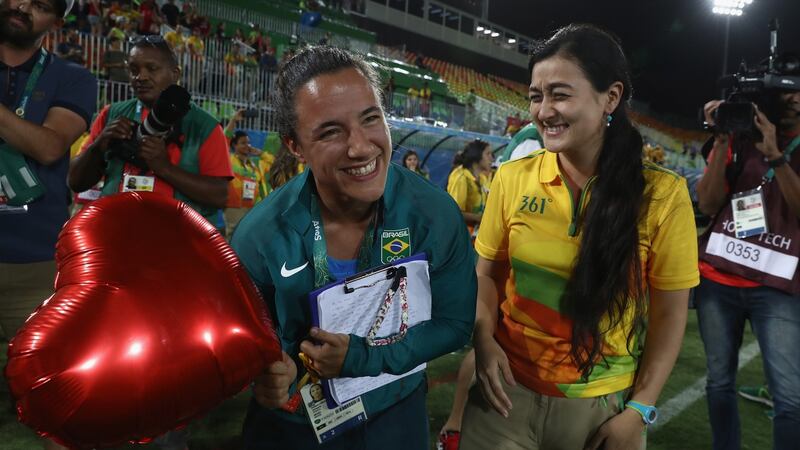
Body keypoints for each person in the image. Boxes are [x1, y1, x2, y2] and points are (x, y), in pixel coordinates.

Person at [460, 24, 699, 450]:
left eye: (560, 94)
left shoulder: (663, 195)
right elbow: (487, 276)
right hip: (503, 398)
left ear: (611, 97)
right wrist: (483, 338)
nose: (543, 110)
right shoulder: (513, 177)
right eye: (536, 95)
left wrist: (640, 410)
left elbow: (669, 315)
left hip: (601, 410)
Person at [230, 46, 476, 450]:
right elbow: (250, 350)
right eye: (330, 132)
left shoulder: (433, 215)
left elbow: (454, 325)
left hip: (395, 413)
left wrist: (363, 358)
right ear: (294, 145)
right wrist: (269, 372)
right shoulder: (260, 237)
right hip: (296, 424)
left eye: (370, 118)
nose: (361, 147)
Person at [0, 0, 96, 448]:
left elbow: (49, 147)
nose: (22, 6)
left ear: (55, 22)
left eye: (39, 4)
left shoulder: (73, 78)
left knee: (52, 402)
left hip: (34, 264)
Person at [695, 68, 800, 449]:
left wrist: (776, 157)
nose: (794, 98)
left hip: (777, 286)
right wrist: (722, 138)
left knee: (789, 397)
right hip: (718, 276)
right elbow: (706, 205)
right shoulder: (739, 139)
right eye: (789, 91)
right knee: (719, 382)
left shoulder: (783, 145)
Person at [68, 35, 232, 232]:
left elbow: (220, 196)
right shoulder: (111, 114)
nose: (141, 77)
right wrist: (98, 146)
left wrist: (164, 168)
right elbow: (76, 182)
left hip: (177, 244)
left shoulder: (205, 126)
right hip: (116, 236)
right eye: (134, 70)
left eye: (152, 69)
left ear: (175, 73)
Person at [446, 139, 493, 236]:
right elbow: (453, 213)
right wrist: (479, 218)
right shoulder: (461, 177)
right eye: (488, 154)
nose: (491, 158)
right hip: (459, 236)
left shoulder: (482, 178)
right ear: (477, 155)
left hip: (473, 236)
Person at [224, 130, 265, 236]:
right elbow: (224, 140)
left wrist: (260, 153)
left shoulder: (253, 165)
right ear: (234, 145)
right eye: (243, 143)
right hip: (234, 207)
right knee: (234, 237)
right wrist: (233, 121)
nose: (247, 145)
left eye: (248, 142)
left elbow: (272, 162)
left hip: (251, 207)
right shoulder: (229, 160)